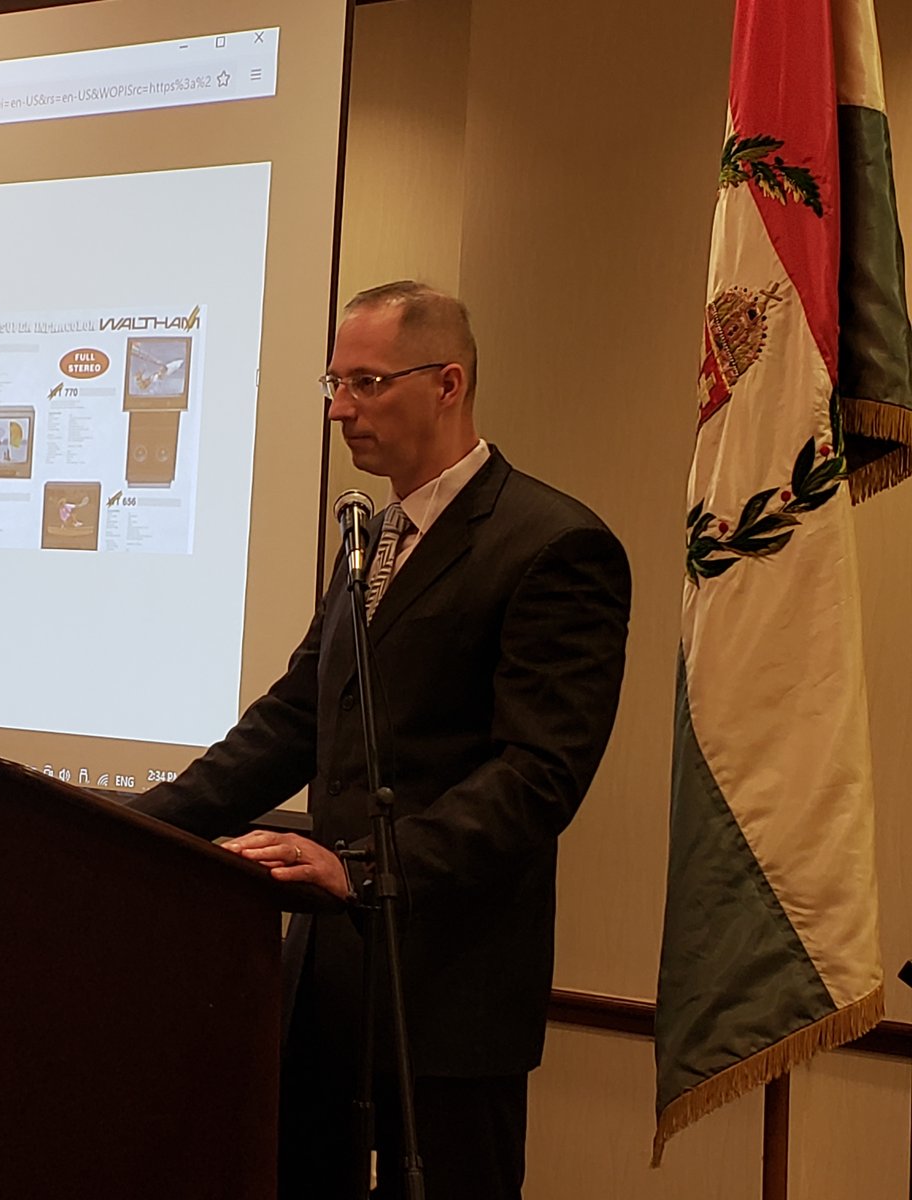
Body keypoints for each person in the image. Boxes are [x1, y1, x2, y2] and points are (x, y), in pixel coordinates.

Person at [129, 282, 631, 1200]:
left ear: (448, 384)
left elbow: (536, 776)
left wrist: (363, 869)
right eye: (335, 385)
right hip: (326, 988)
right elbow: (296, 720)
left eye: (366, 383)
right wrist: (138, 827)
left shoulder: (553, 545)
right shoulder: (371, 536)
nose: (340, 410)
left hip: (447, 997)